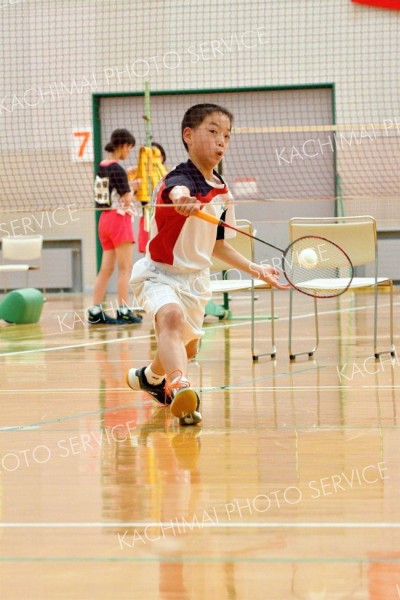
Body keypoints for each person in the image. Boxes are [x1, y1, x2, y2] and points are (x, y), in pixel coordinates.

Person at [126, 103, 288, 425]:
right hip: (160, 274)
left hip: (196, 280)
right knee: (170, 319)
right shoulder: (178, 179)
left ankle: (151, 377)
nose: (220, 142)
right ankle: (180, 387)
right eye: (212, 132)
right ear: (188, 135)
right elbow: (177, 189)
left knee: (187, 349)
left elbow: (219, 246)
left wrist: (258, 270)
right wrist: (181, 199)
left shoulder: (223, 193)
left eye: (226, 136)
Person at [88, 128, 142, 325]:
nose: (129, 152)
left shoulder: (102, 166)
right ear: (124, 145)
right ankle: (123, 310)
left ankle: (95, 310)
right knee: (125, 268)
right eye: (129, 148)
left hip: (104, 220)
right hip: (119, 220)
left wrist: (126, 181)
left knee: (106, 269)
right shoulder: (117, 169)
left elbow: (112, 189)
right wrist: (134, 188)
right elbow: (127, 200)